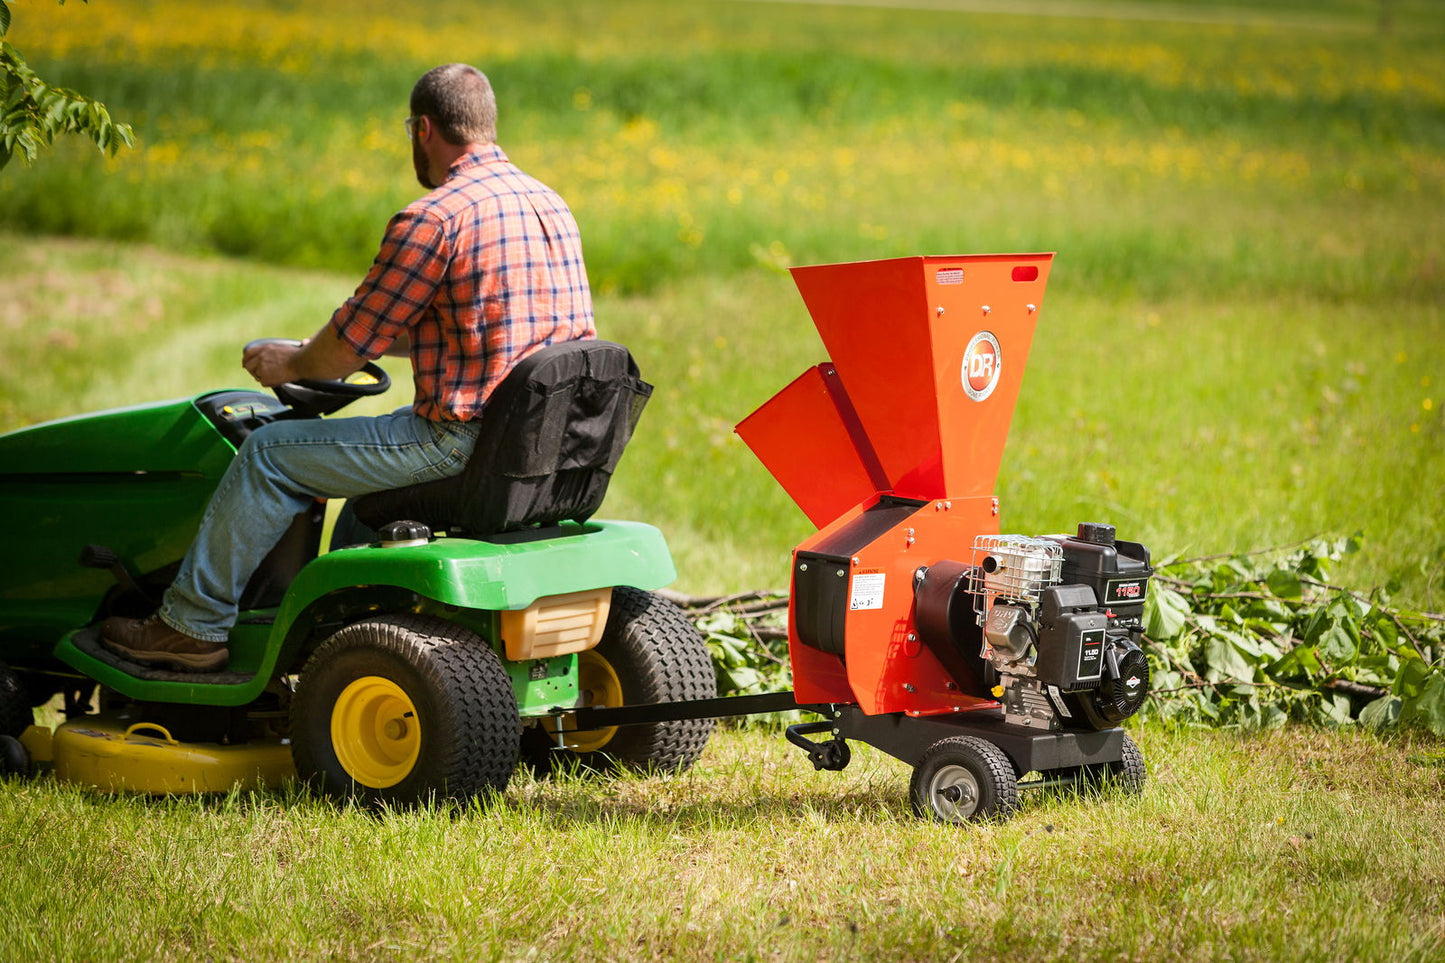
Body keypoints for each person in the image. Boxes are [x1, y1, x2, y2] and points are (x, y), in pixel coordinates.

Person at [99, 63, 596, 672]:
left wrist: (290, 362)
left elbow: (346, 348)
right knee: (364, 483)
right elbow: (485, 331)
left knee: (267, 453)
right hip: (544, 442)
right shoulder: (550, 205)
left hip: (458, 441)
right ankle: (342, 621)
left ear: (422, 130)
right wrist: (346, 348)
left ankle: (190, 626)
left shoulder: (436, 218)